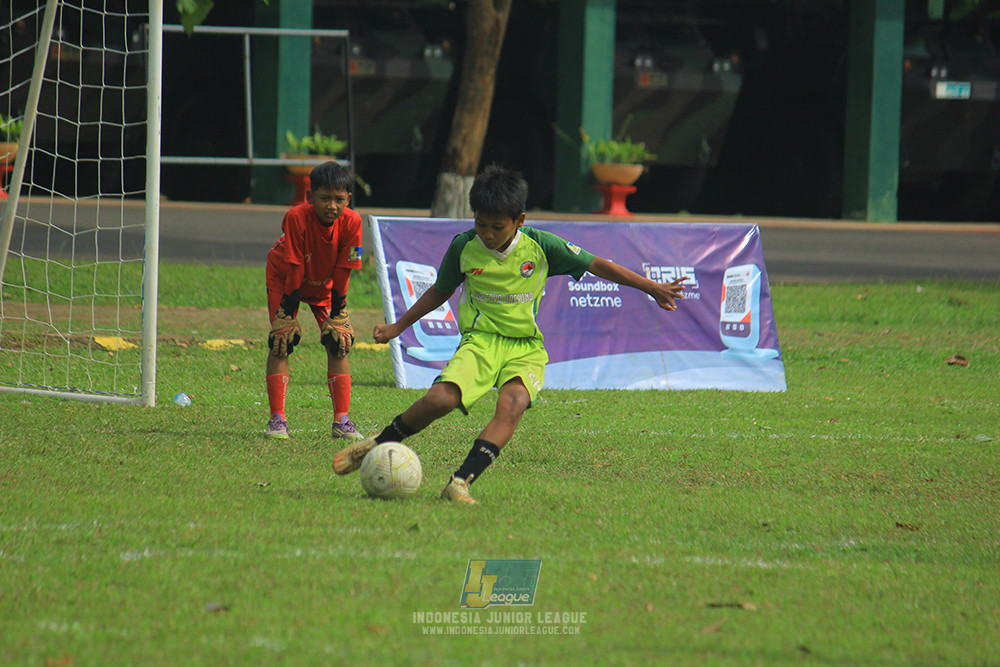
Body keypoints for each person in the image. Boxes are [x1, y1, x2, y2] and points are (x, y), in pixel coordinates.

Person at [332, 164, 686, 504]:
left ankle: (459, 483)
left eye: (497, 227)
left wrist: (651, 287)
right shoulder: (464, 246)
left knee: (513, 403)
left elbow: (598, 264)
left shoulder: (541, 245)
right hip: (481, 341)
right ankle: (375, 444)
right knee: (441, 400)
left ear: (519, 222)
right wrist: (398, 327)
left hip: (525, 347)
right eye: (480, 223)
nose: (486, 233)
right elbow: (439, 291)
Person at [264, 161, 365, 441]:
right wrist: (285, 313)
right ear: (310, 198)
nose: (332, 205)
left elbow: (345, 269)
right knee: (281, 341)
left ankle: (341, 420)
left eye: (339, 199)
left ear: (348, 199)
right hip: (285, 279)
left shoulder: (353, 222)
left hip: (325, 284)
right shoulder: (296, 217)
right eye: (324, 198)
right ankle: (277, 419)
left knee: (338, 342)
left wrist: (339, 312)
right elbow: (294, 267)